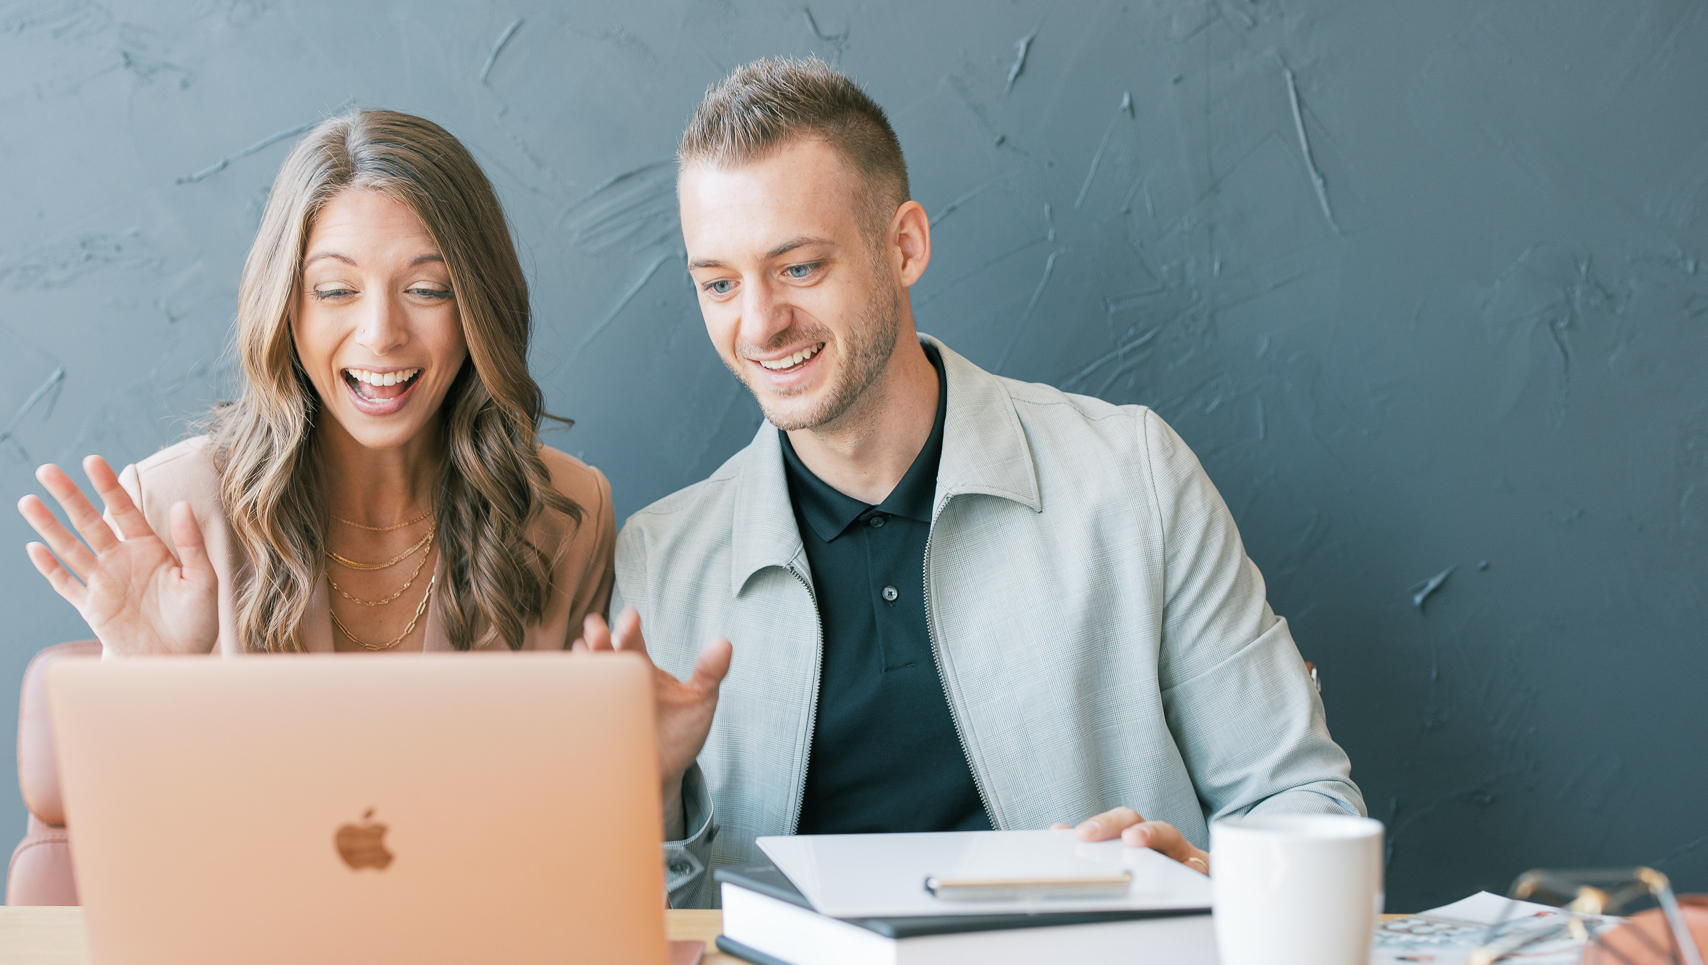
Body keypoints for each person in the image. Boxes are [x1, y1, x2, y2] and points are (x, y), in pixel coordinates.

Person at [577, 59, 1363, 906]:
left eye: (799, 267)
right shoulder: (659, 560)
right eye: (719, 284)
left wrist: (1207, 884)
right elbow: (635, 945)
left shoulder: (1134, 476)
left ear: (904, 245)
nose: (760, 323)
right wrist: (650, 793)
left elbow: (1304, 801)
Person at [19, 109, 612, 656]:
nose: (381, 334)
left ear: (479, 307)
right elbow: (132, 771)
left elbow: (604, 767)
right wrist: (153, 676)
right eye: (334, 290)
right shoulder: (175, 507)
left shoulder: (569, 516)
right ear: (284, 307)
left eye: (426, 290)